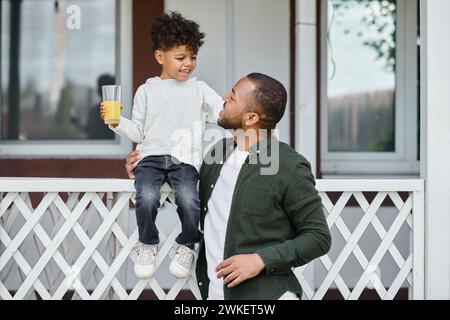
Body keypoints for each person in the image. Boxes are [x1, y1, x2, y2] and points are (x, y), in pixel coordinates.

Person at [125, 73, 331, 300]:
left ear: (251, 118)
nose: (223, 98)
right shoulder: (217, 153)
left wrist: (260, 260)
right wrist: (144, 169)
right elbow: (183, 192)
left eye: (232, 97)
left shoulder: (289, 165)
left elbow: (318, 237)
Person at [101, 12, 223, 280]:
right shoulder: (147, 90)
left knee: (190, 201)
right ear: (160, 57)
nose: (188, 63)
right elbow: (139, 131)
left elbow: (223, 113)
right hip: (151, 158)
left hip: (185, 160)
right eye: (180, 58)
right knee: (146, 198)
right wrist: (116, 121)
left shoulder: (200, 89)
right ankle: (147, 243)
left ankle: (188, 243)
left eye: (193, 57)